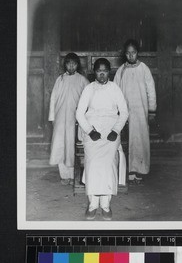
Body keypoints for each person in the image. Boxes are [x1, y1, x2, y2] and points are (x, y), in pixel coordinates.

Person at [76, 58, 128, 220]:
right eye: (99, 70)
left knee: (108, 164)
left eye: (105, 70)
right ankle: (93, 204)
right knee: (93, 164)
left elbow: (124, 112)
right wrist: (90, 131)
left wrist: (116, 130)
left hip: (111, 130)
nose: (102, 74)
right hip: (93, 130)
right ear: (94, 72)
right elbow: (79, 114)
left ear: (109, 71)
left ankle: (105, 204)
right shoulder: (89, 89)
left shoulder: (115, 88)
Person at [114, 39, 157, 184]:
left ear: (137, 53)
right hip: (126, 112)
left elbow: (151, 90)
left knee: (140, 140)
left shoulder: (144, 68)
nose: (131, 56)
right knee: (127, 140)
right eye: (128, 53)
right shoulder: (121, 70)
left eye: (133, 53)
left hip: (140, 112)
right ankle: (128, 172)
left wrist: (152, 110)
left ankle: (140, 170)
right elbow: (115, 91)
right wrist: (117, 111)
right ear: (125, 54)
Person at [48, 53, 89, 185]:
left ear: (78, 65)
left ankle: (73, 175)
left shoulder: (82, 80)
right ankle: (64, 175)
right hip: (60, 118)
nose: (71, 66)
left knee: (72, 145)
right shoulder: (60, 79)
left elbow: (89, 98)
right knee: (61, 145)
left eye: (74, 63)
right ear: (65, 64)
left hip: (75, 119)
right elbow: (53, 99)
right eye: (68, 63)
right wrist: (52, 117)